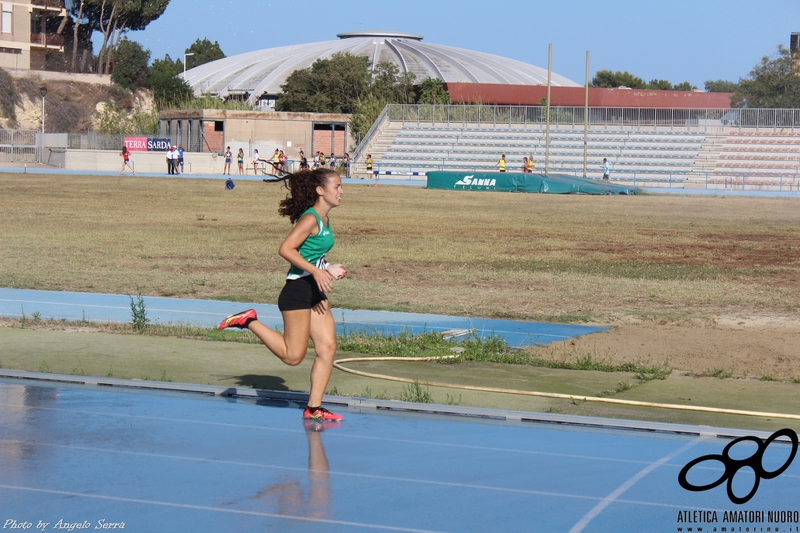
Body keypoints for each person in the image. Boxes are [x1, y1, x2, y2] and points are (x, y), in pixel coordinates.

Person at [219, 167, 347, 422]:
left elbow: (310, 255)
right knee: (293, 356)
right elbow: (286, 249)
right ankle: (248, 320)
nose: (342, 191)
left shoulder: (324, 219)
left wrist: (326, 268)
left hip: (314, 289)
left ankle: (314, 408)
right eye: (337, 187)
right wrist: (316, 271)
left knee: (328, 347)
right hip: (298, 291)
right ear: (321, 191)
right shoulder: (310, 218)